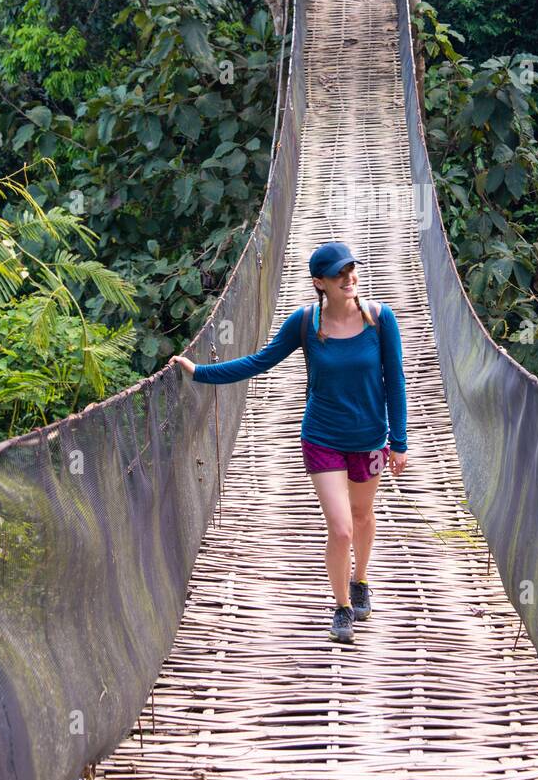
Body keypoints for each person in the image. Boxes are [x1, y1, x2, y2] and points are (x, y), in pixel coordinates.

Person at [170, 241, 408, 645]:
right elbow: (260, 361)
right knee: (341, 527)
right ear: (320, 282)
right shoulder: (305, 324)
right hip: (322, 438)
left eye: (351, 269)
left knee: (363, 516)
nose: (348, 278)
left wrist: (398, 441)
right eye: (338, 274)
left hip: (369, 439)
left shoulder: (380, 320)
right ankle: (341, 607)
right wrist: (199, 373)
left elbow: (395, 381)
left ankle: (361, 579)